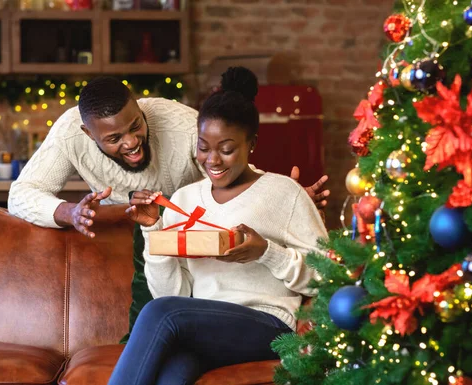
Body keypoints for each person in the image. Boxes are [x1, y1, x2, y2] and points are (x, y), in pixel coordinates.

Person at [7, 76, 329, 341]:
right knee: (168, 344)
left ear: (139, 106)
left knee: (161, 318)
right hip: (153, 237)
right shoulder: (68, 134)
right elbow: (20, 194)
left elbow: (233, 180)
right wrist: (70, 213)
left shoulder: (184, 126)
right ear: (88, 134)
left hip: (194, 235)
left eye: (136, 125)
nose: (132, 142)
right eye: (115, 137)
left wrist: (283, 194)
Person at [107, 67, 328, 385]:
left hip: (268, 326)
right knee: (172, 373)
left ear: (251, 144)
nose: (212, 160)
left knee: (159, 315)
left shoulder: (283, 193)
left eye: (226, 149)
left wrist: (265, 251)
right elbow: (171, 294)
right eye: (203, 147)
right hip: (199, 327)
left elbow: (324, 275)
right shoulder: (182, 200)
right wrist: (153, 229)